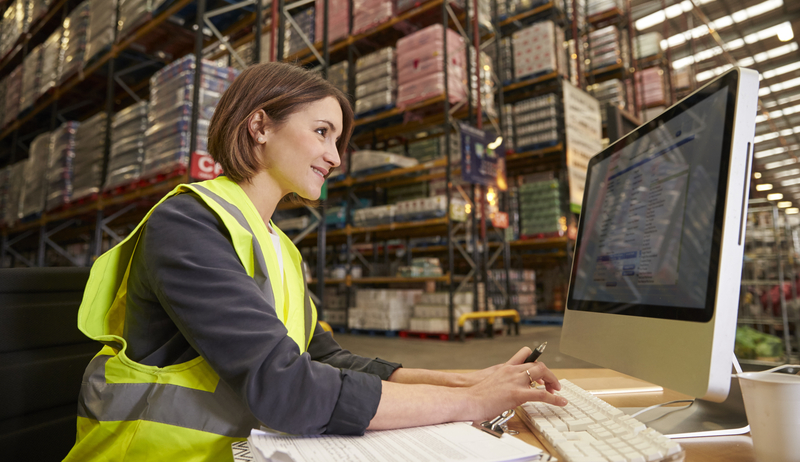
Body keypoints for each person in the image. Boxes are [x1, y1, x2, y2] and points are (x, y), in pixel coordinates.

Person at [65, 62, 566, 461]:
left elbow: (327, 360)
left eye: (337, 139)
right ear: (260, 125)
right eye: (323, 131)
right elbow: (286, 387)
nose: (336, 157)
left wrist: (470, 379)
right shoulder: (187, 224)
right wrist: (471, 403)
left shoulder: (276, 244)